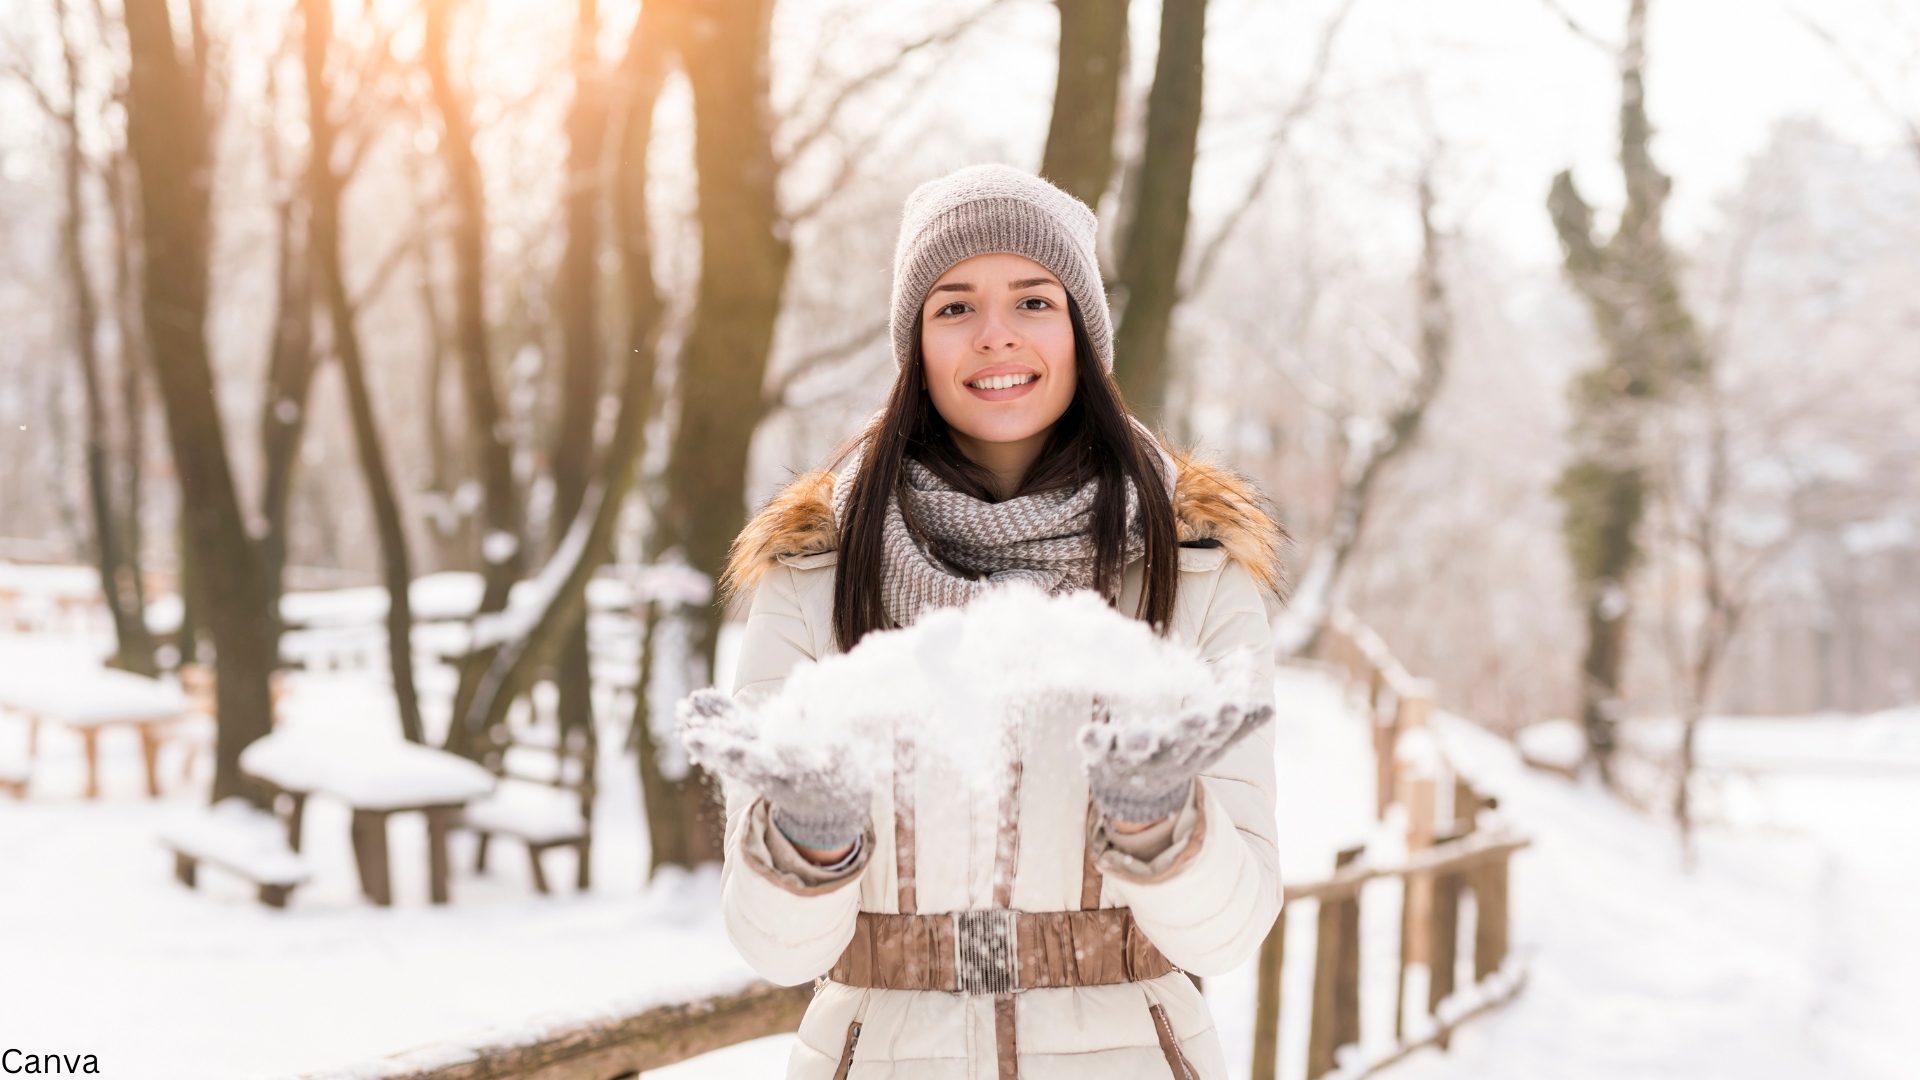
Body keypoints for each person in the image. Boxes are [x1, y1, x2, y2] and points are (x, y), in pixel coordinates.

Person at [709, 164, 1285, 1079]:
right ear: (916, 345)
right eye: (953, 307)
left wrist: (1159, 827)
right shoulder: (817, 573)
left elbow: (1231, 932)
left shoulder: (1193, 570)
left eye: (1032, 300)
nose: (994, 336)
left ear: (1081, 332)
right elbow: (775, 949)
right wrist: (807, 838)